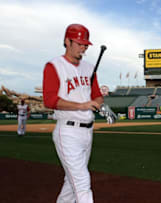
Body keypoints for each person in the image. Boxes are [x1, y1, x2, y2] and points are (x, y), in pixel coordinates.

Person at [42, 23, 104, 203]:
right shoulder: (54, 66)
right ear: (67, 41)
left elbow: (97, 95)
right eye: (79, 43)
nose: (83, 48)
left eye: (85, 44)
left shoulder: (89, 68)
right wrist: (82, 105)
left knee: (72, 182)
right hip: (67, 131)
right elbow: (50, 100)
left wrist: (98, 104)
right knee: (82, 182)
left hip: (87, 132)